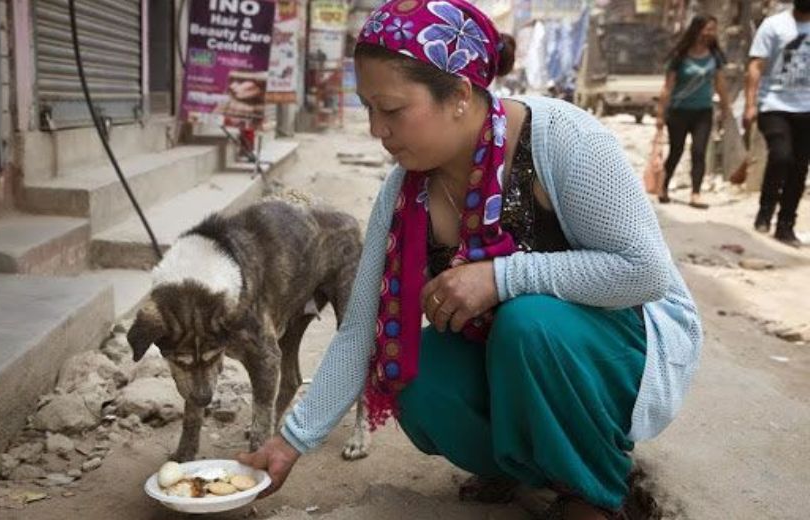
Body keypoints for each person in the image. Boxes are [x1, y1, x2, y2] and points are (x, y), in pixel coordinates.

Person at [238, 1, 702, 519]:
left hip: (623, 348)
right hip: (518, 356)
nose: (376, 129)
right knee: (415, 373)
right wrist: (290, 444)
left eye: (391, 110)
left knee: (529, 321)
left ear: (459, 95)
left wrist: (503, 277)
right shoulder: (405, 191)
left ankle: (592, 490)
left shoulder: (564, 140)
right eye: (367, 108)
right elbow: (361, 329)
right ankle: (531, 468)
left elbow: (645, 272)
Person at [744, 0, 810, 247]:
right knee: (781, 156)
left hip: (807, 109)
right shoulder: (774, 25)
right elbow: (756, 65)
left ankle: (786, 225)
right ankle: (765, 211)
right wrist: (750, 104)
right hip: (774, 105)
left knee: (799, 167)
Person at [655, 15, 731, 209]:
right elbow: (668, 87)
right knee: (676, 151)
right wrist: (660, 115)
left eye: (713, 29)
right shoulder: (680, 56)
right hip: (679, 111)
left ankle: (695, 193)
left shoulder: (715, 56)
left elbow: (720, 84)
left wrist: (725, 109)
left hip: (703, 112)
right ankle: (663, 187)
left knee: (699, 152)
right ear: (697, 30)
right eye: (708, 28)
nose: (711, 33)